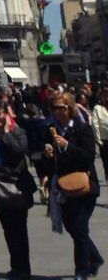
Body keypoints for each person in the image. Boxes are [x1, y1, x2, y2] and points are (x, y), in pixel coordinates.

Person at [46, 91, 103, 280]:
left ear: (69, 108)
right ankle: (94, 257)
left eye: (61, 108)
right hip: (64, 186)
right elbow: (52, 159)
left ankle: (81, 270)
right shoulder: (52, 129)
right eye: (55, 108)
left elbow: (88, 156)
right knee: (73, 227)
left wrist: (67, 146)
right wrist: (48, 153)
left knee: (79, 228)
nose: (58, 112)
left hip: (85, 185)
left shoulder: (82, 128)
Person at [0, 103, 36, 280]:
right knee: (8, 229)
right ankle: (15, 266)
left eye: (0, 114)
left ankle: (23, 269)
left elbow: (18, 151)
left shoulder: (18, 132)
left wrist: (5, 134)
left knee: (19, 229)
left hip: (16, 185)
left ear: (7, 115)